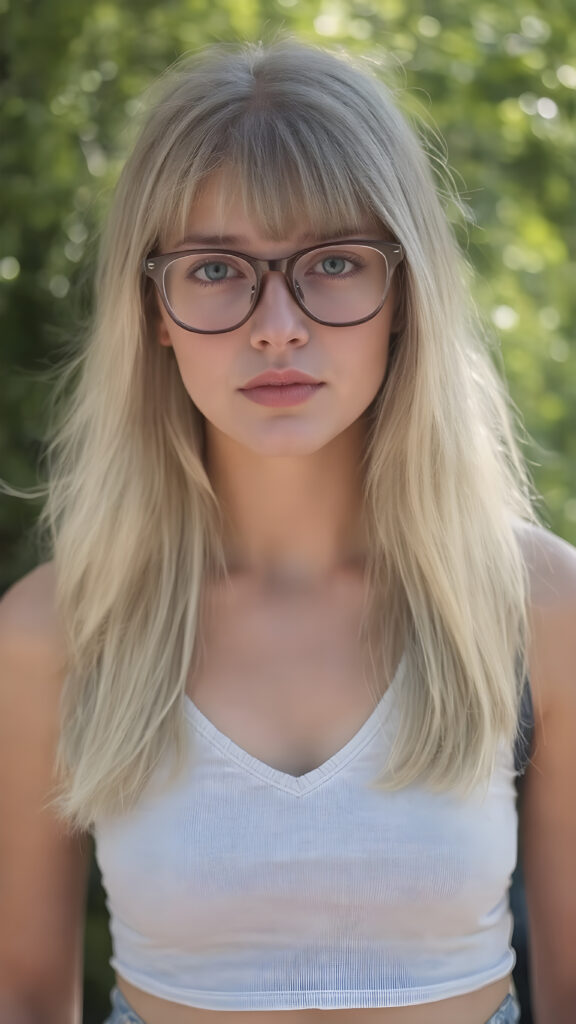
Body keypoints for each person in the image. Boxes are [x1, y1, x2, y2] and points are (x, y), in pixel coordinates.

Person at [0, 34, 574, 1024]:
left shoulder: (539, 608)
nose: (278, 324)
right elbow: (20, 992)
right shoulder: (55, 631)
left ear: (407, 294)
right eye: (218, 267)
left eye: (336, 262)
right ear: (156, 308)